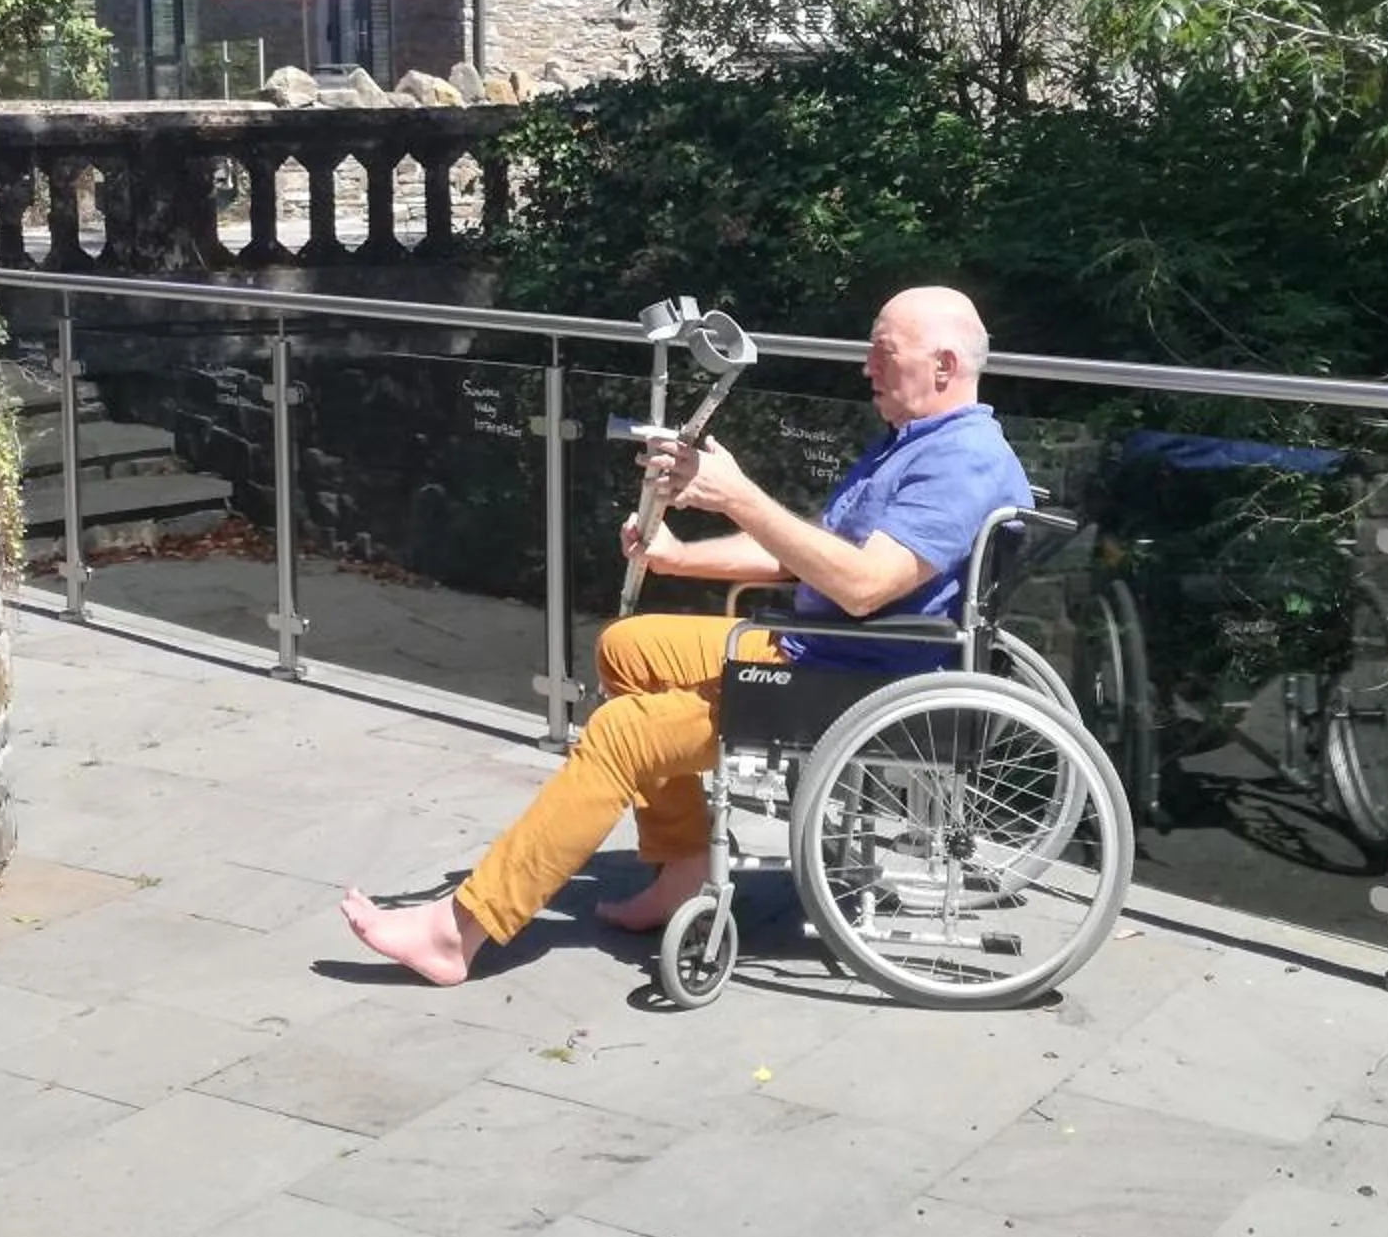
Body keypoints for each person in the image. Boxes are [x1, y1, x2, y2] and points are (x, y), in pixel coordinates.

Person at [340, 284, 1031, 985]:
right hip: (821, 652)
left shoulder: (959, 463)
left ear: (944, 366)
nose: (865, 369)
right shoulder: (915, 444)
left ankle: (462, 930)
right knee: (626, 647)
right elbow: (809, 553)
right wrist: (675, 556)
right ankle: (687, 866)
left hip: (853, 686)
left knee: (622, 733)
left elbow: (859, 585)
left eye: (883, 354)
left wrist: (738, 495)